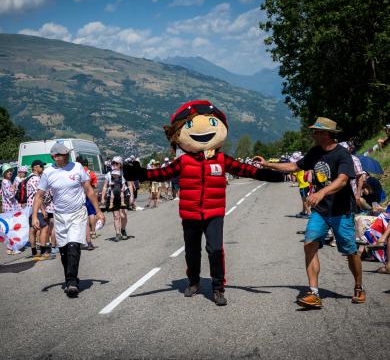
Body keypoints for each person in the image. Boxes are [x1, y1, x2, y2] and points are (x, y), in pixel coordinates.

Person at [123, 99, 284, 306]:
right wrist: (141, 173)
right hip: (190, 213)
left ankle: (218, 288)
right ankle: (193, 281)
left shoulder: (221, 159)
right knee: (192, 250)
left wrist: (270, 175)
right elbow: (163, 173)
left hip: (214, 212)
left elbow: (247, 170)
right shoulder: (184, 161)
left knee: (215, 249)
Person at [254, 117, 365, 308]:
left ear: (326, 134)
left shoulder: (342, 155)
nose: (313, 134)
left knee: (350, 251)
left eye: (316, 131)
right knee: (309, 244)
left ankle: (358, 286)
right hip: (321, 211)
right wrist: (268, 164)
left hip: (341, 210)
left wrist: (321, 192)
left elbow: (343, 180)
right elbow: (294, 166)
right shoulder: (315, 152)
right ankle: (314, 293)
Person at [32, 142, 105, 298]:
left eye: (66, 154)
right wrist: (34, 216)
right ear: (54, 156)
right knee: (64, 250)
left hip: (77, 213)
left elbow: (89, 190)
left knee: (73, 245)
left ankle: (72, 282)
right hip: (60, 216)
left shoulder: (77, 167)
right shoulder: (48, 173)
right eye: (61, 154)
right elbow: (38, 196)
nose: (65, 156)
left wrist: (98, 211)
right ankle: (69, 278)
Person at [101, 156, 132, 242]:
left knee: (123, 215)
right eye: (113, 163)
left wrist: (132, 196)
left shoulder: (124, 173)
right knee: (116, 216)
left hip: (123, 195)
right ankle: (118, 234)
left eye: (116, 163)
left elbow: (129, 185)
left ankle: (123, 229)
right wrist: (103, 198)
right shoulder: (108, 174)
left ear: (120, 165)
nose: (114, 164)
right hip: (113, 196)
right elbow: (104, 186)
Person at [27, 160, 51, 261]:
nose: (43, 168)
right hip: (36, 209)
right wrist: (43, 210)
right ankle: (43, 251)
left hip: (29, 208)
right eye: (41, 166)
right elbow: (39, 196)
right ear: (35, 167)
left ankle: (34, 252)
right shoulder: (36, 179)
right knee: (44, 228)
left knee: (32, 229)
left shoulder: (28, 178)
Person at [1, 163, 21, 255]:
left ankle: (11, 248)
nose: (10, 172)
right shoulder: (5, 182)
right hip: (9, 208)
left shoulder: (7, 181)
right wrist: (15, 188)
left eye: (10, 171)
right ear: (4, 173)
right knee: (10, 228)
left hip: (9, 207)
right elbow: (10, 195)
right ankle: (10, 248)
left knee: (11, 228)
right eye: (7, 171)